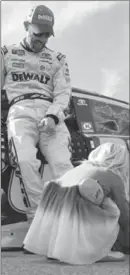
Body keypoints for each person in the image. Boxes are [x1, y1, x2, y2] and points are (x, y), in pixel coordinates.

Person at [1, 5, 73, 220]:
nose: (41, 39)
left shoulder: (58, 58)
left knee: (62, 165)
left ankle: (73, 217)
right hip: (19, 110)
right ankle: (40, 217)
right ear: (26, 26)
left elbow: (63, 93)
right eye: (37, 33)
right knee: (24, 160)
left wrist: (52, 116)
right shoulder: (6, 53)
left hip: (49, 111)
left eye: (46, 35)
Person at [23, 142, 129, 264]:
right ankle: (96, 251)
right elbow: (124, 213)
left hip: (56, 217)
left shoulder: (79, 169)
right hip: (79, 216)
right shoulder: (112, 175)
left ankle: (59, 250)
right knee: (113, 208)